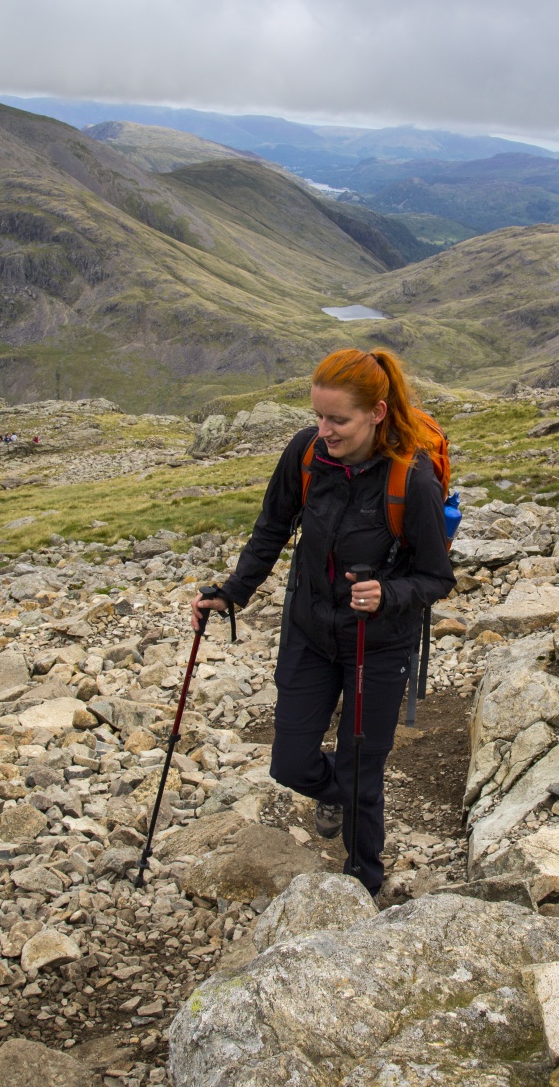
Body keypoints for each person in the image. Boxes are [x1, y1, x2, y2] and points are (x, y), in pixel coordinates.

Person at [192, 347, 454, 896]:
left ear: (377, 413)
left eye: (338, 420)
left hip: (378, 644)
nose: (324, 430)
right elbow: (272, 526)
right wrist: (234, 592)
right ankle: (336, 793)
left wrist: (387, 593)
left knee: (363, 768)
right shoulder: (307, 453)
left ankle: (364, 883)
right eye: (318, 416)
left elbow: (436, 578)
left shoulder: (415, 480)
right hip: (310, 630)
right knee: (289, 764)